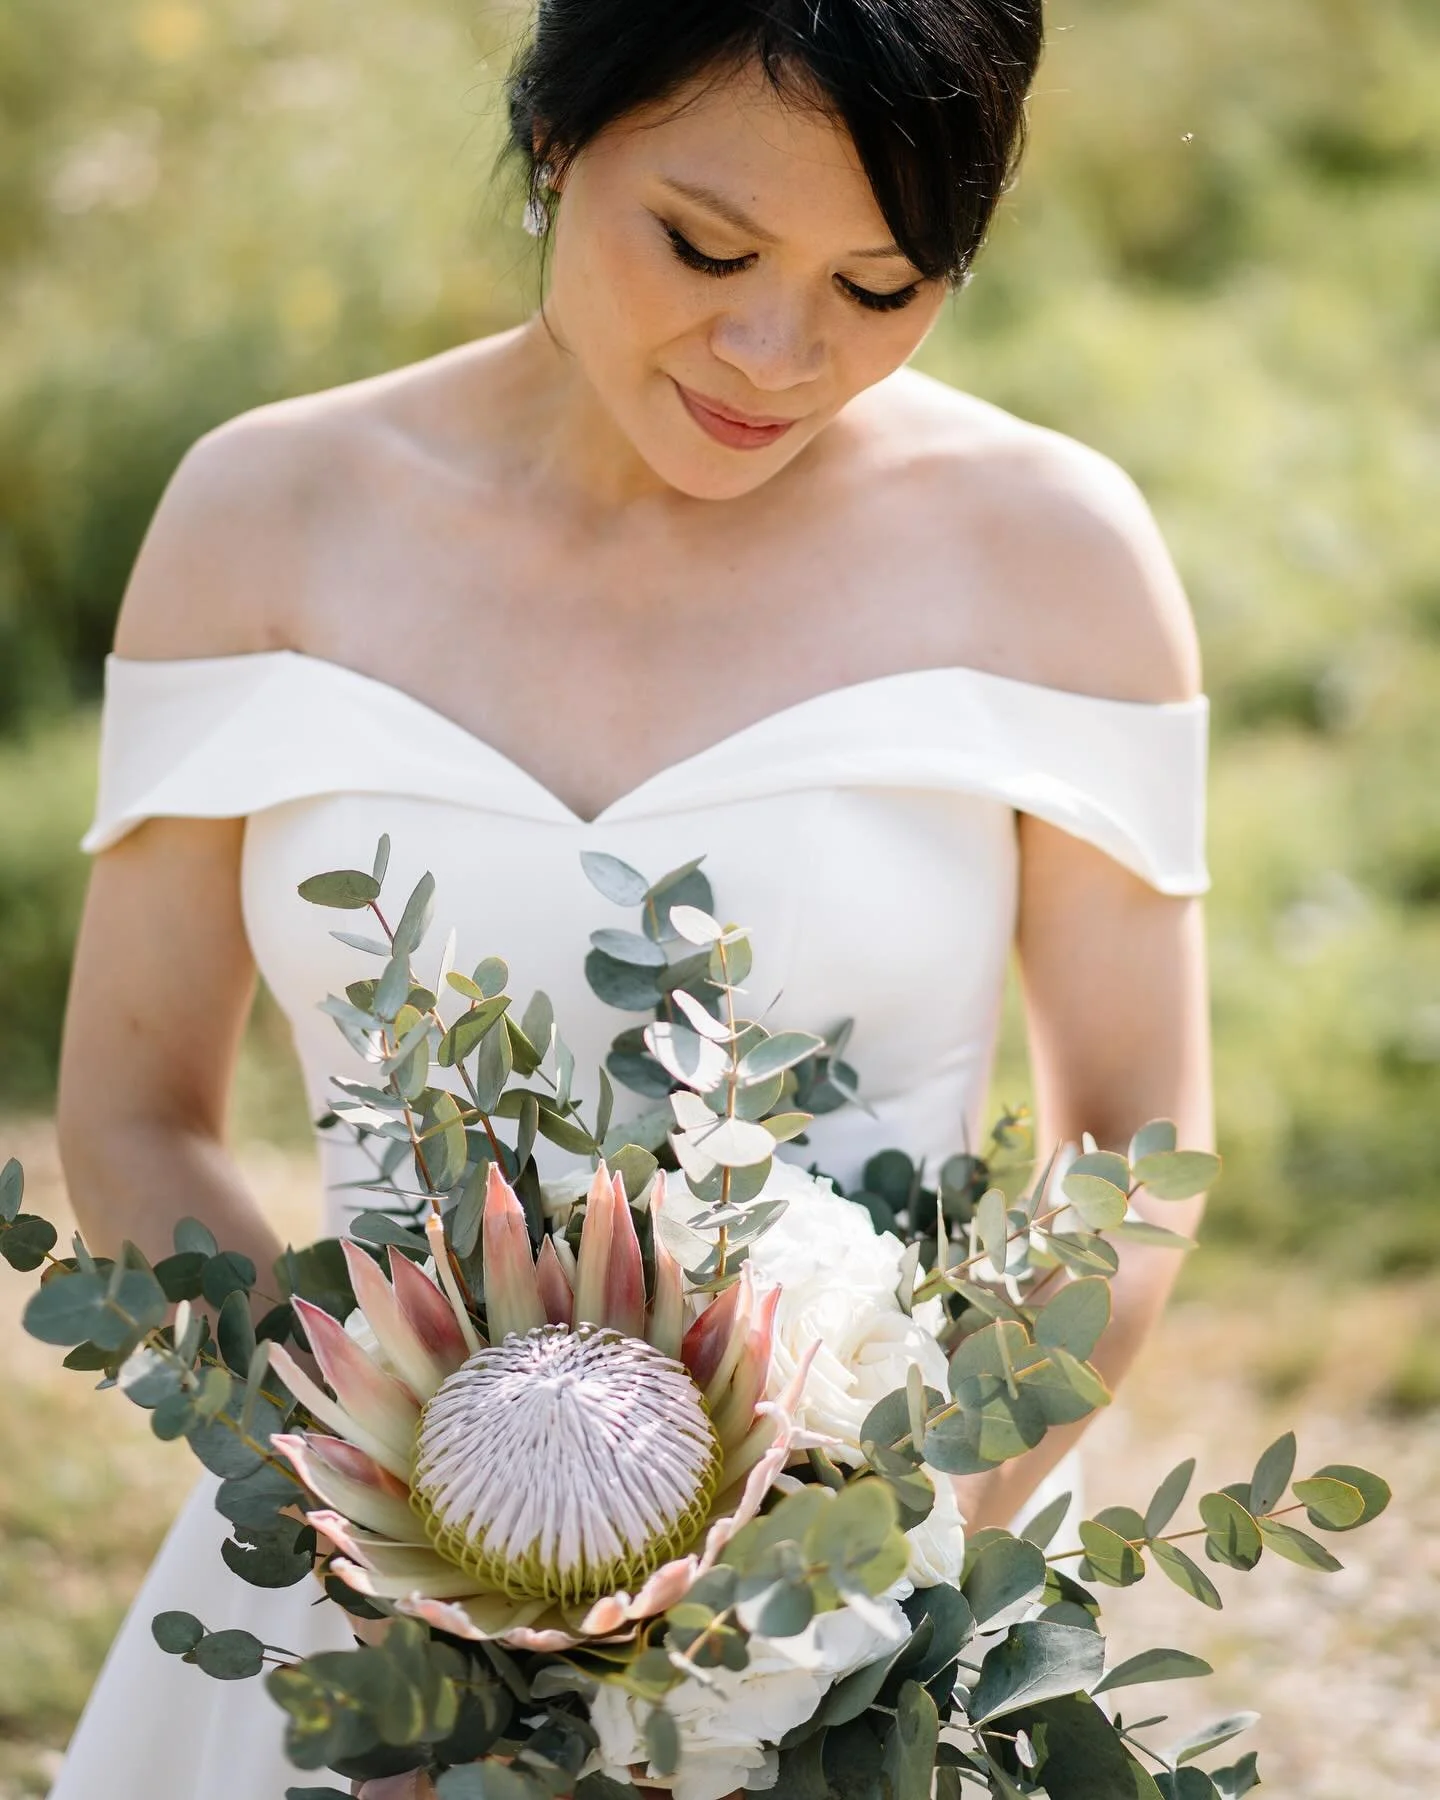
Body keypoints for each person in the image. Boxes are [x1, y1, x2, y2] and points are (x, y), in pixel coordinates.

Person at [47, 2, 1214, 1795]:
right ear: (550, 136)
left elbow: (1133, 1143)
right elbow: (132, 1114)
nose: (776, 348)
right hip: (366, 1640)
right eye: (705, 244)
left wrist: (839, 1592)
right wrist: (397, 1569)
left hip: (864, 1660)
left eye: (881, 286)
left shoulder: (1054, 558)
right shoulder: (264, 518)